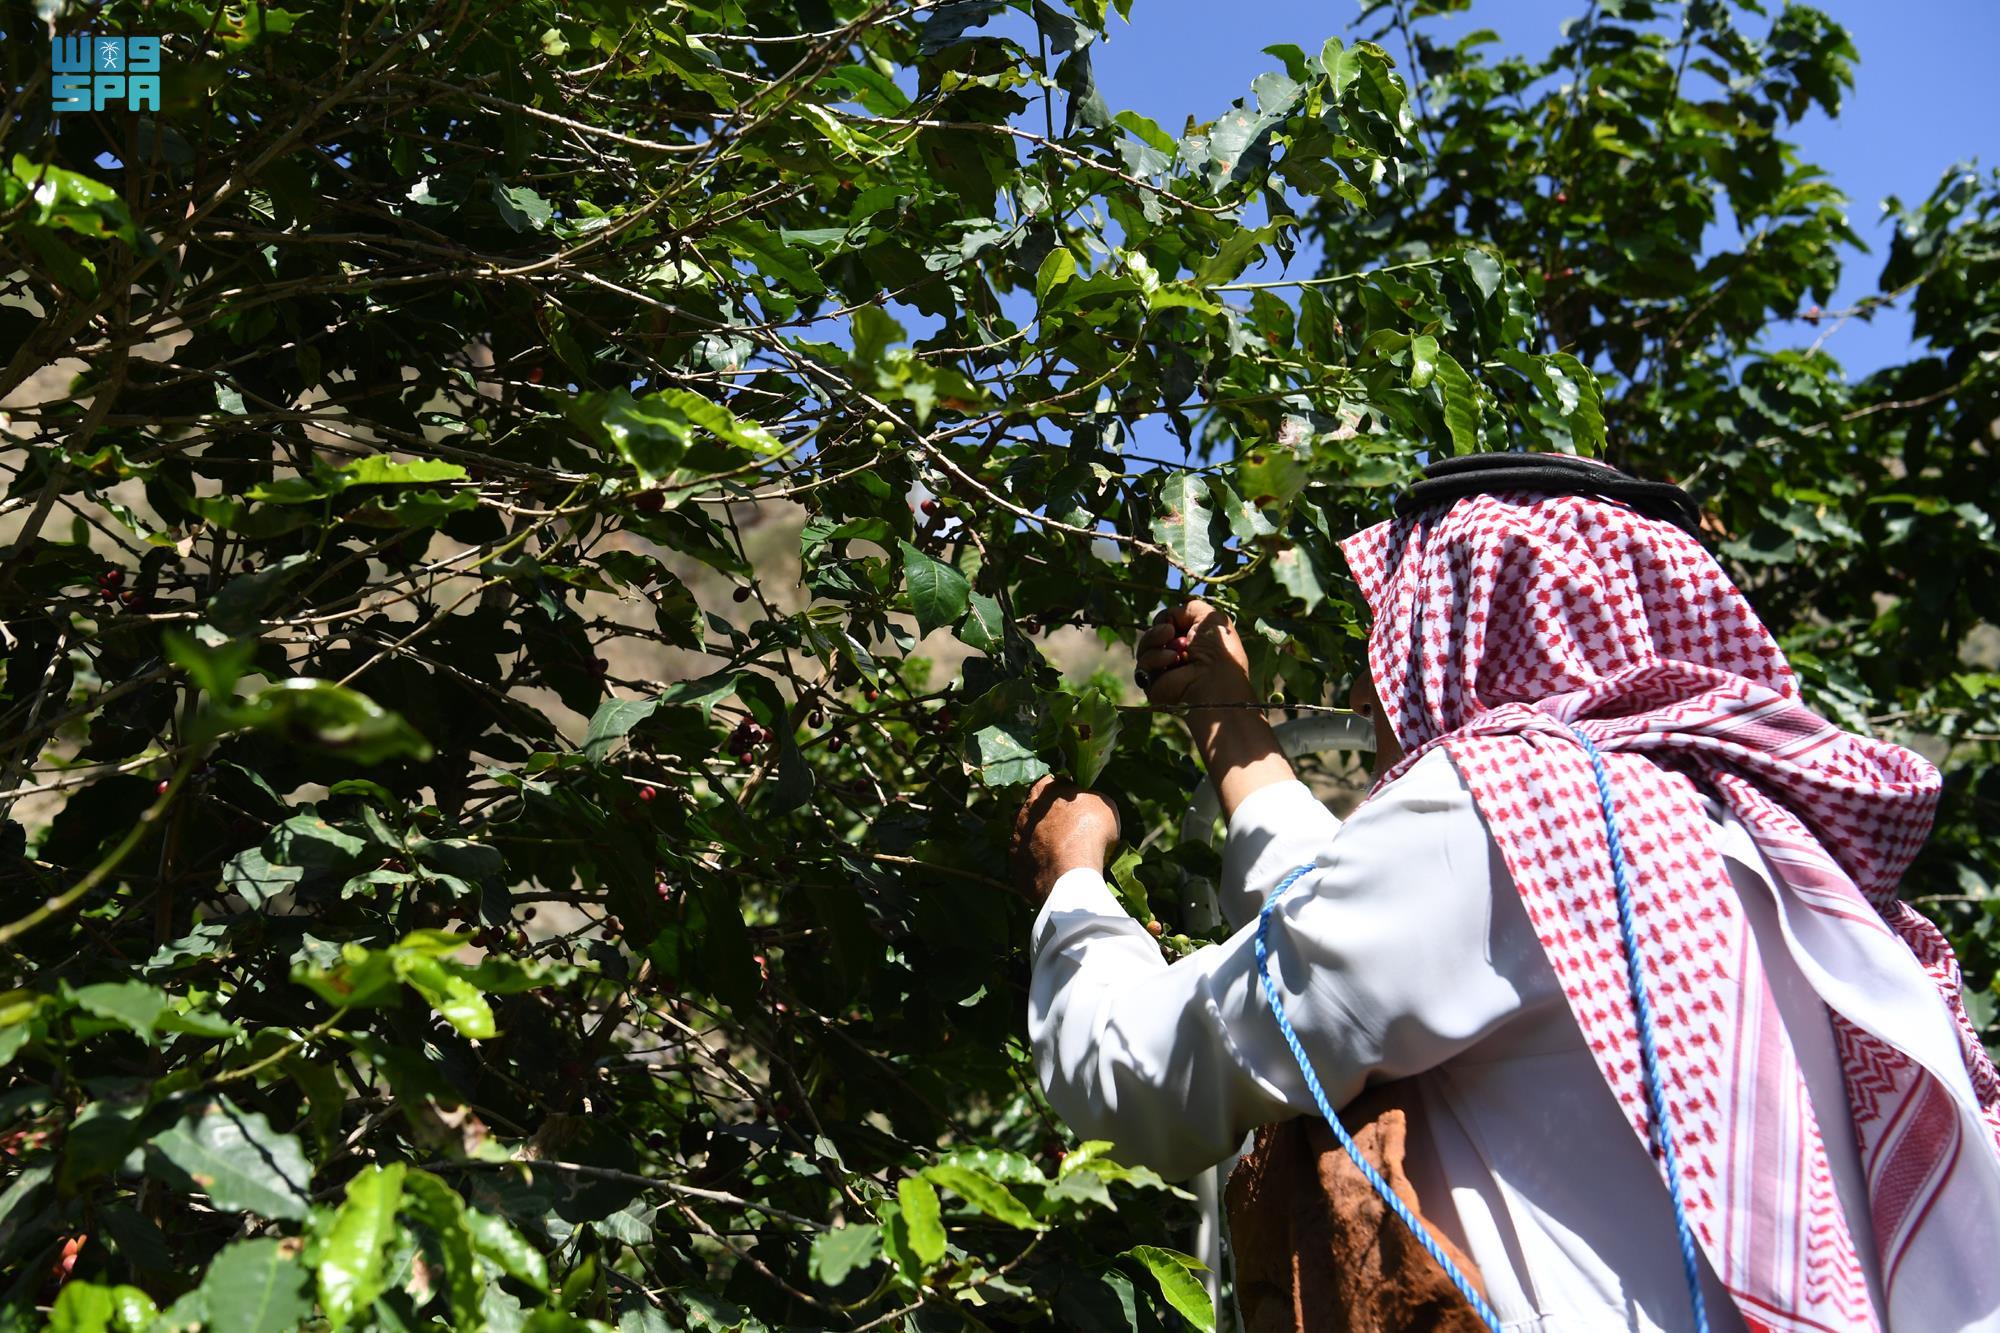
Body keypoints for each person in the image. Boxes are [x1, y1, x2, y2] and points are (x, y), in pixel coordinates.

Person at [1011, 455, 2000, 1332]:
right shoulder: (1747, 848)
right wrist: (1229, 725)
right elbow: (1355, 933)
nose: (1369, 693)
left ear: (1467, 628)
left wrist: (1073, 890)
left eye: (1387, 643)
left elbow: (1148, 1070)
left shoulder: (1508, 810)